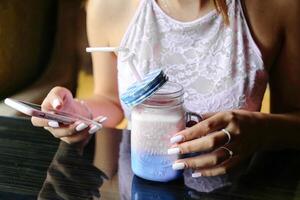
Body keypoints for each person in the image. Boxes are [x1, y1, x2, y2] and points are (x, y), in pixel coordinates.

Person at [32, 0, 300, 178]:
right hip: (142, 179)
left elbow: (294, 120)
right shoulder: (108, 5)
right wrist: (79, 112)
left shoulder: (280, 6)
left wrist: (262, 130)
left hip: (235, 186)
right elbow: (111, 100)